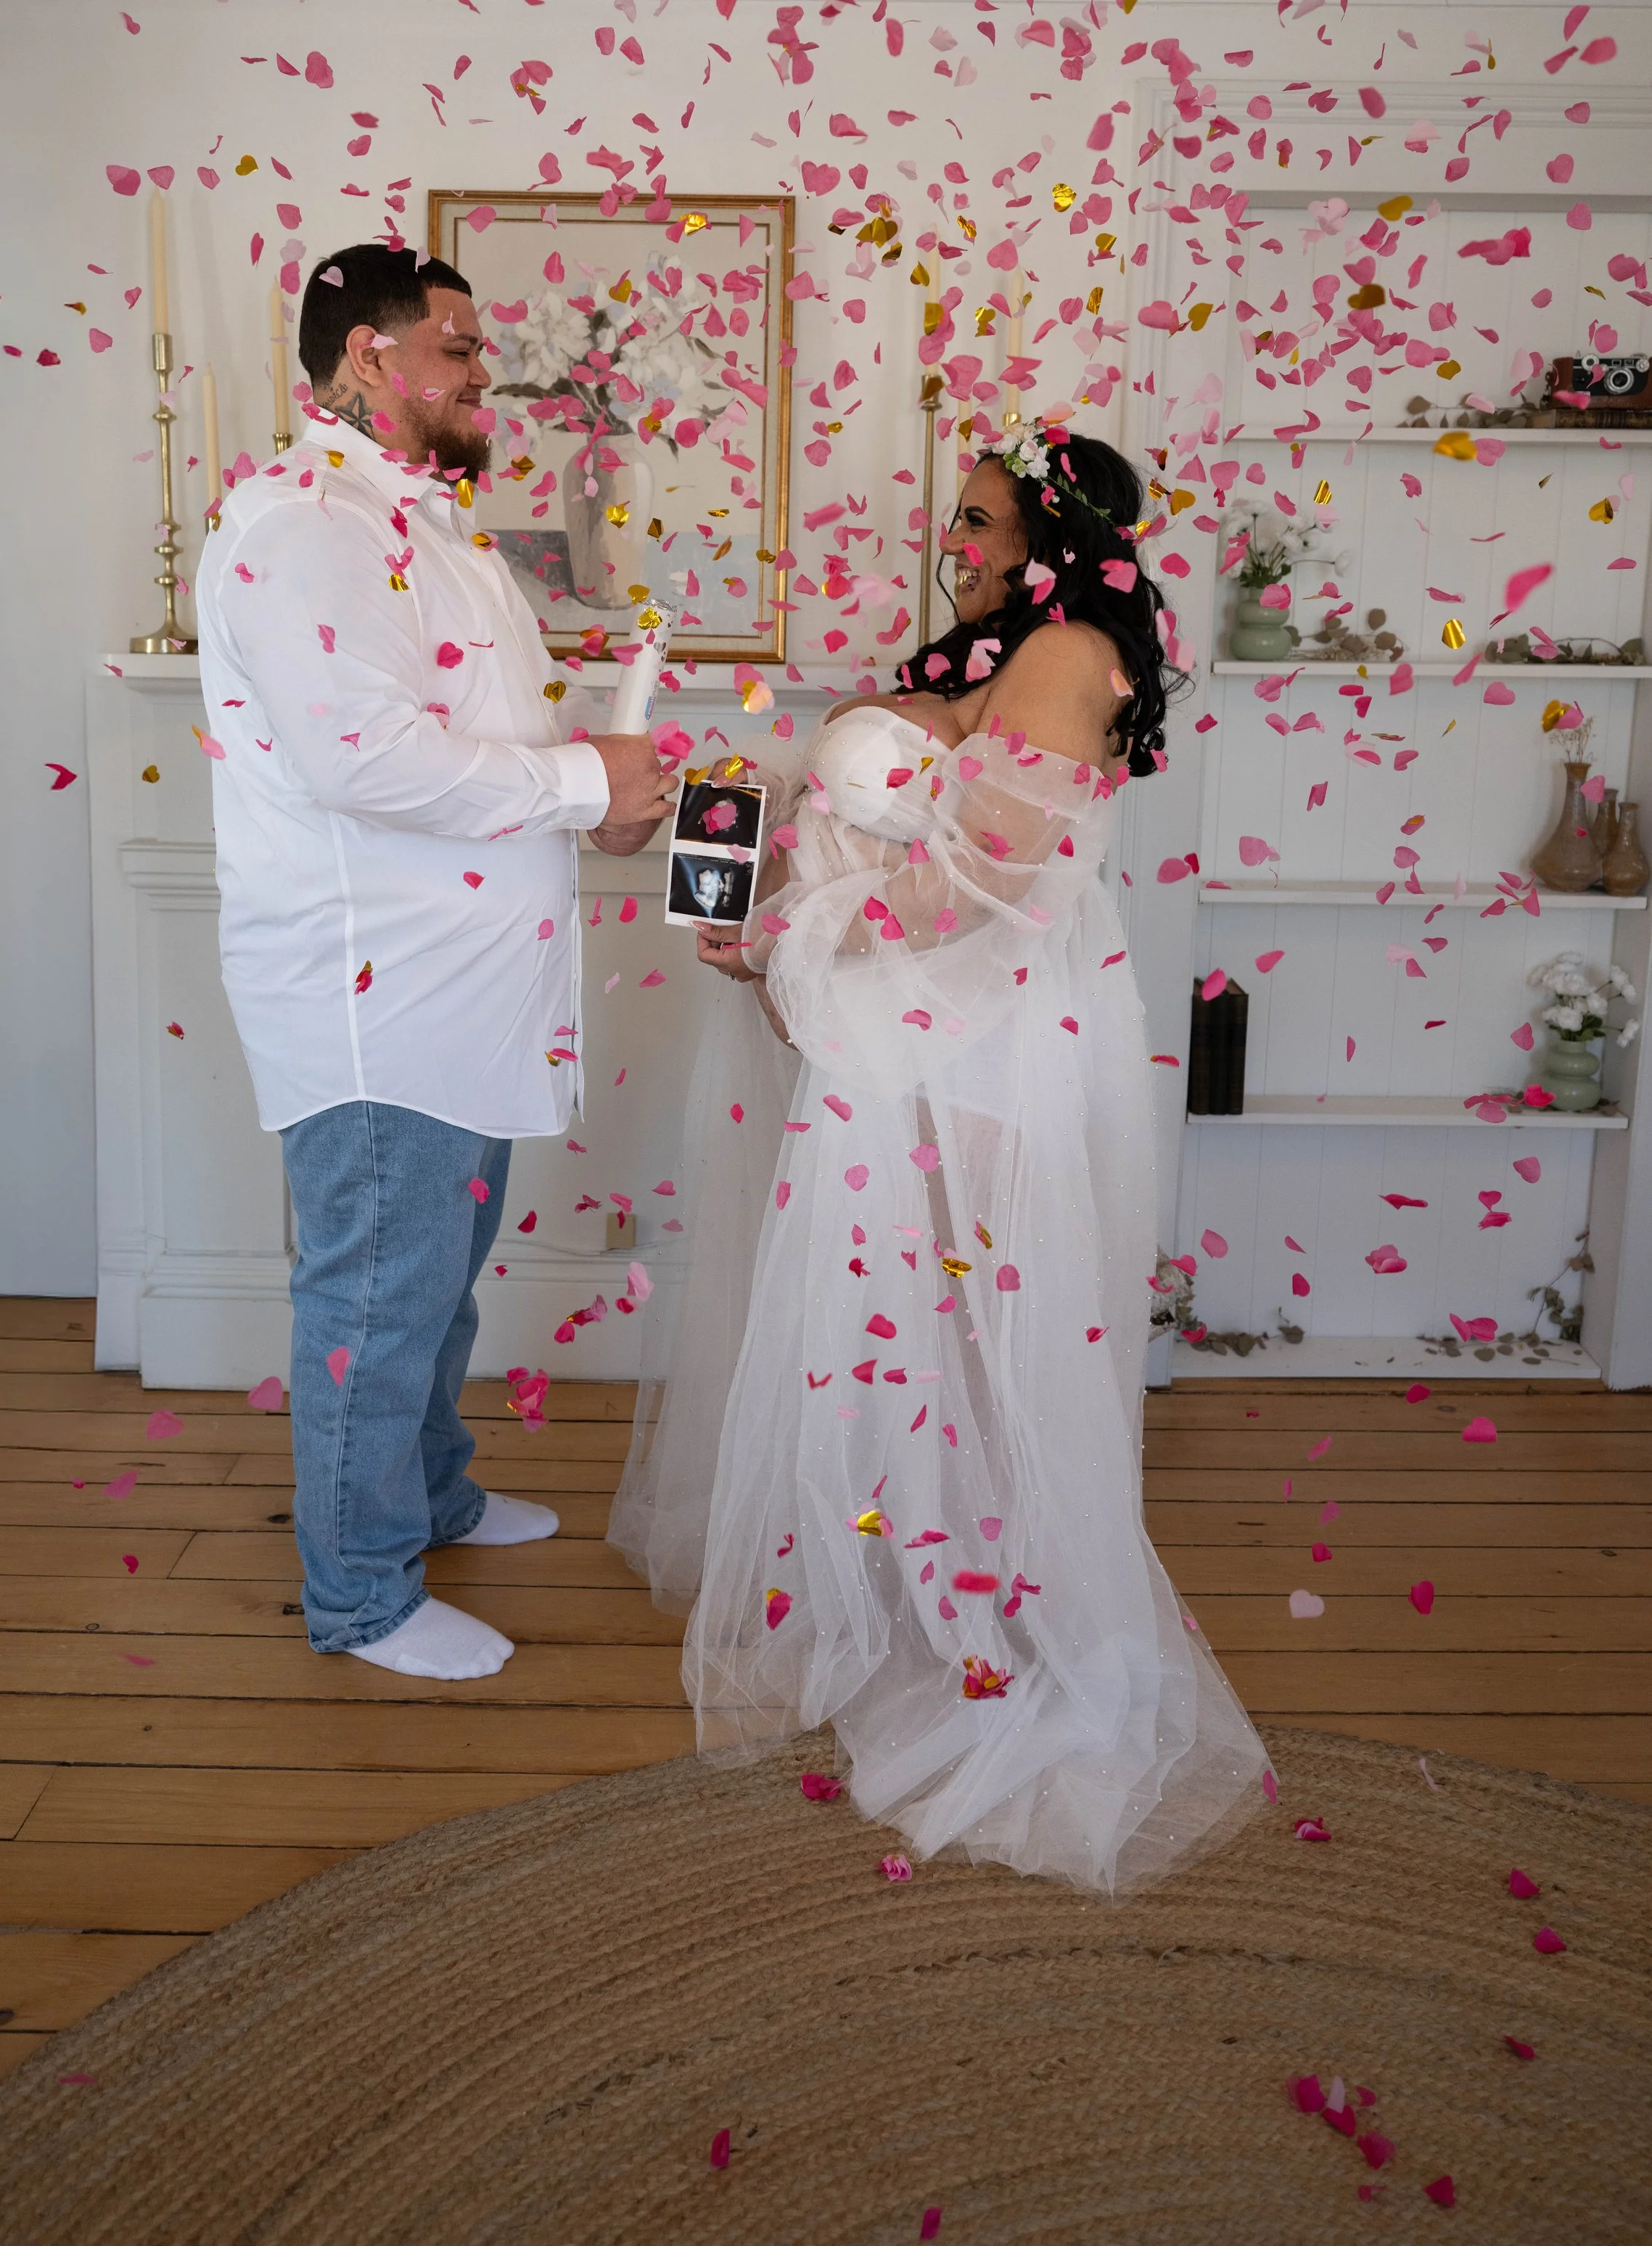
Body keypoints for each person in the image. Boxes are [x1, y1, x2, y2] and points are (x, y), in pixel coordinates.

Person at [610, 421, 1272, 1896]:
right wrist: (757, 924)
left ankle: (1014, 1612)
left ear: (1052, 537)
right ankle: (918, 1574)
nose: (951, 548)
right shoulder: (978, 661)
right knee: (904, 1315)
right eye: (953, 523)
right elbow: (882, 847)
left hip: (990, 1041)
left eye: (977, 523)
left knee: (980, 1321)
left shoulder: (1063, 654)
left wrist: (790, 941)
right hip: (898, 1038)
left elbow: (985, 881)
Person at [197, 244, 675, 1683]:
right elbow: (361, 758)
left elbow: (486, 749)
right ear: (366, 358)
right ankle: (359, 1595)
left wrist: (599, 783)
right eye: (458, 346)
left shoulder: (427, 528)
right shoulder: (299, 525)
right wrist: (591, 786)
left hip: (461, 992)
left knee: (440, 1278)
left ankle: (433, 1493)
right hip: (376, 995)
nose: (485, 374)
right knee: (375, 1295)